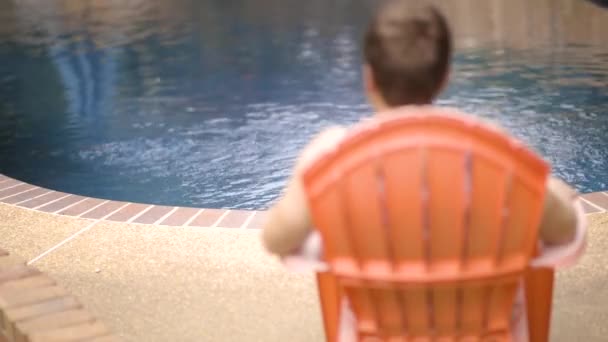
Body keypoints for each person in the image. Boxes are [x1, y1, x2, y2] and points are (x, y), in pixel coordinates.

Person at [262, 1, 579, 259]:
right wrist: (550, 189)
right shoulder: (491, 149)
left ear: (369, 79)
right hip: (482, 328)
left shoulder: (331, 154)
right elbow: (565, 231)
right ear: (445, 78)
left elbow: (276, 240)